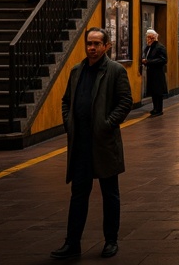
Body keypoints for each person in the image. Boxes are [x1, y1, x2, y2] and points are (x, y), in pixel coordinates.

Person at [52, 27, 132, 260]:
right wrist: (69, 123)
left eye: (97, 43)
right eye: (89, 43)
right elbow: (66, 101)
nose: (92, 48)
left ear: (106, 46)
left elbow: (125, 101)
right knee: (78, 194)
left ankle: (111, 241)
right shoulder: (77, 70)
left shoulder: (115, 71)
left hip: (104, 142)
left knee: (110, 193)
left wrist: (107, 124)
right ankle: (72, 243)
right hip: (80, 143)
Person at [140, 30, 167, 116]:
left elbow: (163, 59)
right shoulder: (149, 47)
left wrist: (148, 62)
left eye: (150, 37)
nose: (148, 39)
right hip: (151, 72)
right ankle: (155, 108)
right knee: (153, 91)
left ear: (154, 37)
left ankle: (159, 109)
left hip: (158, 73)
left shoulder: (160, 47)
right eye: (148, 37)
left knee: (158, 92)